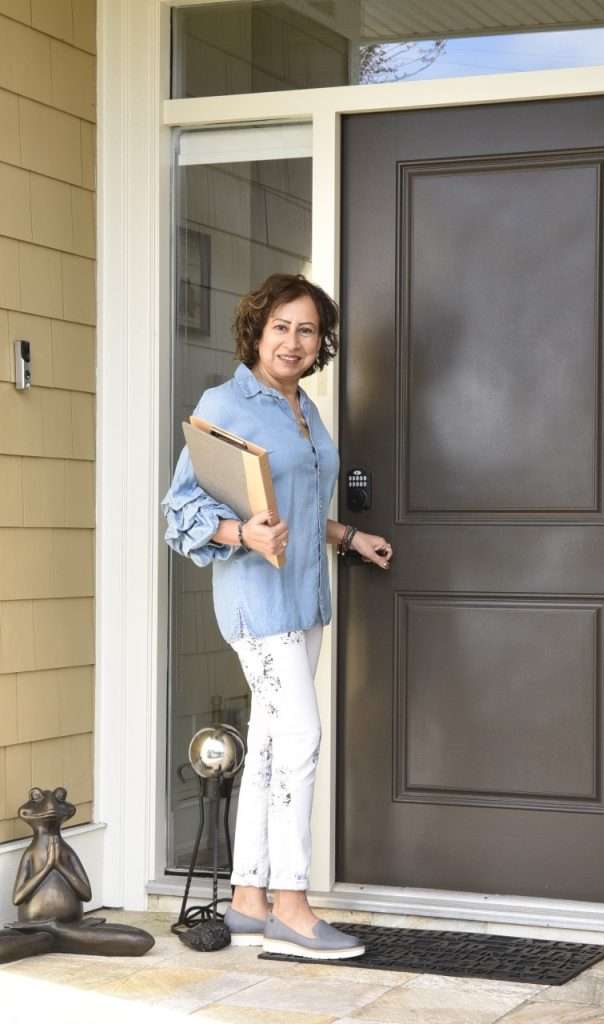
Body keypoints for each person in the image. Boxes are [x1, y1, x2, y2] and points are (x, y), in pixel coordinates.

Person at [161, 273, 393, 960]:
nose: (293, 342)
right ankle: (292, 906)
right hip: (257, 604)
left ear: (321, 344)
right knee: (301, 738)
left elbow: (289, 505)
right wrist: (242, 536)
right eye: (282, 327)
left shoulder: (304, 409)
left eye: (308, 330)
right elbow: (181, 511)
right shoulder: (226, 403)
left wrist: (347, 538)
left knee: (267, 744)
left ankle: (246, 899)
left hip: (306, 597)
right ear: (257, 332)